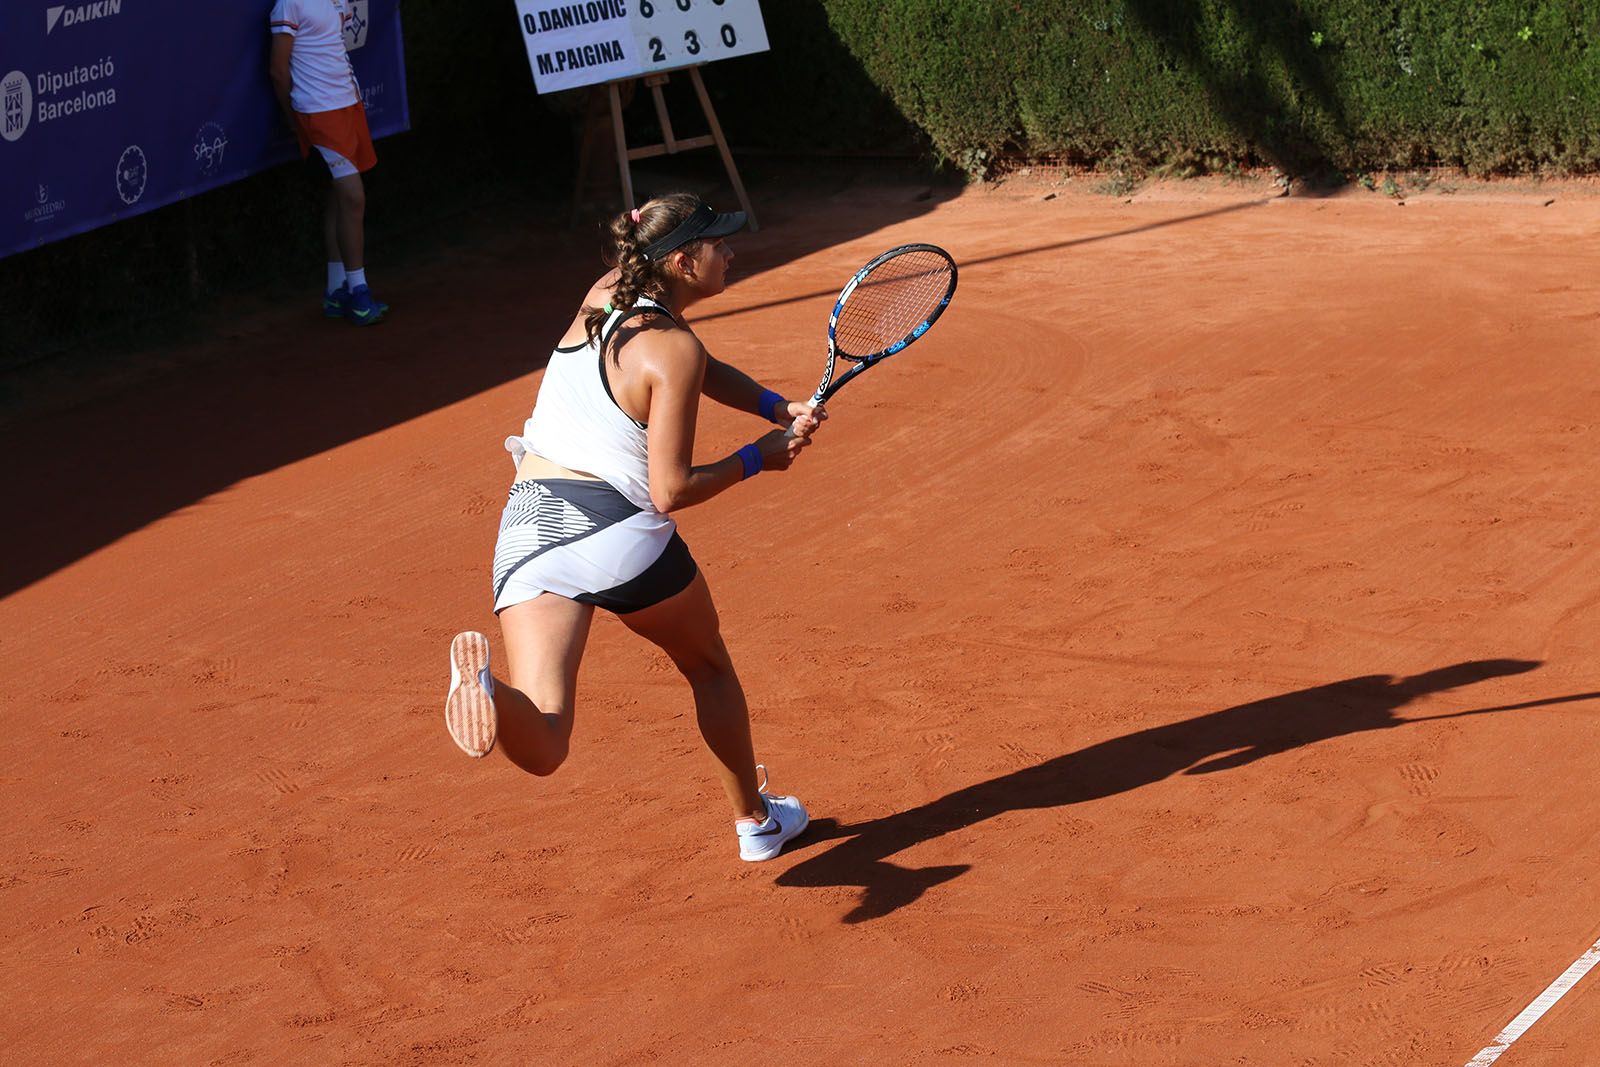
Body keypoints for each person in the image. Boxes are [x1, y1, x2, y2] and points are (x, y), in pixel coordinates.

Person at [444, 193, 826, 862]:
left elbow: (700, 366)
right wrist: (756, 457)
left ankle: (487, 694)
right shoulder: (674, 350)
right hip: (612, 531)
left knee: (547, 738)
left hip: (530, 525)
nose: (731, 251)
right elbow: (670, 490)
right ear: (681, 261)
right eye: (717, 243)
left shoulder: (605, 294)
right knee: (707, 665)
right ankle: (755, 823)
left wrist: (774, 404)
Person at [268, 0, 387, 325]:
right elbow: (278, 71)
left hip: (349, 105)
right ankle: (359, 292)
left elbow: (335, 45)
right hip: (317, 112)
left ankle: (336, 292)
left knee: (337, 198)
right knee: (353, 198)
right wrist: (294, 120)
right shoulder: (289, 4)